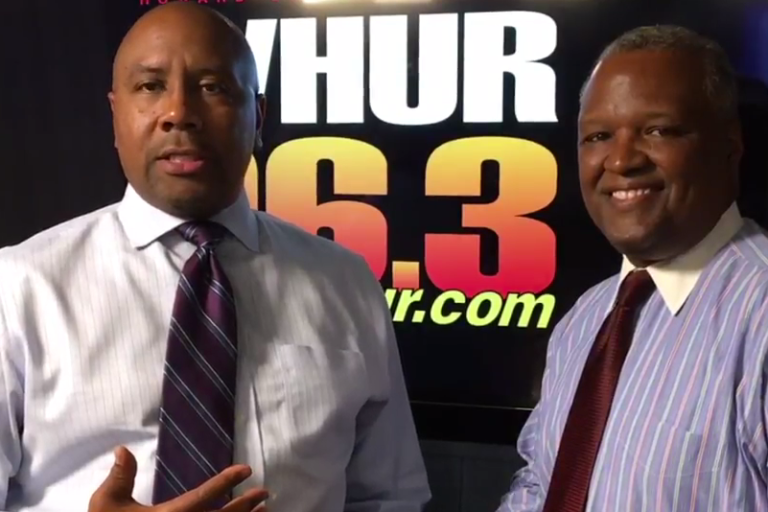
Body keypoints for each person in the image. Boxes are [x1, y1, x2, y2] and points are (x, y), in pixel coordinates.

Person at [0, 3, 430, 511]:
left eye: (212, 87)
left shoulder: (346, 283)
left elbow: (389, 498)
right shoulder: (19, 286)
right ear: (115, 116)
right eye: (150, 86)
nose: (179, 113)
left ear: (258, 117)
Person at [497, 25, 768, 511]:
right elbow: (541, 483)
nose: (620, 160)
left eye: (657, 130)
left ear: (730, 146)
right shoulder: (586, 319)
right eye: (598, 136)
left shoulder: (760, 312)